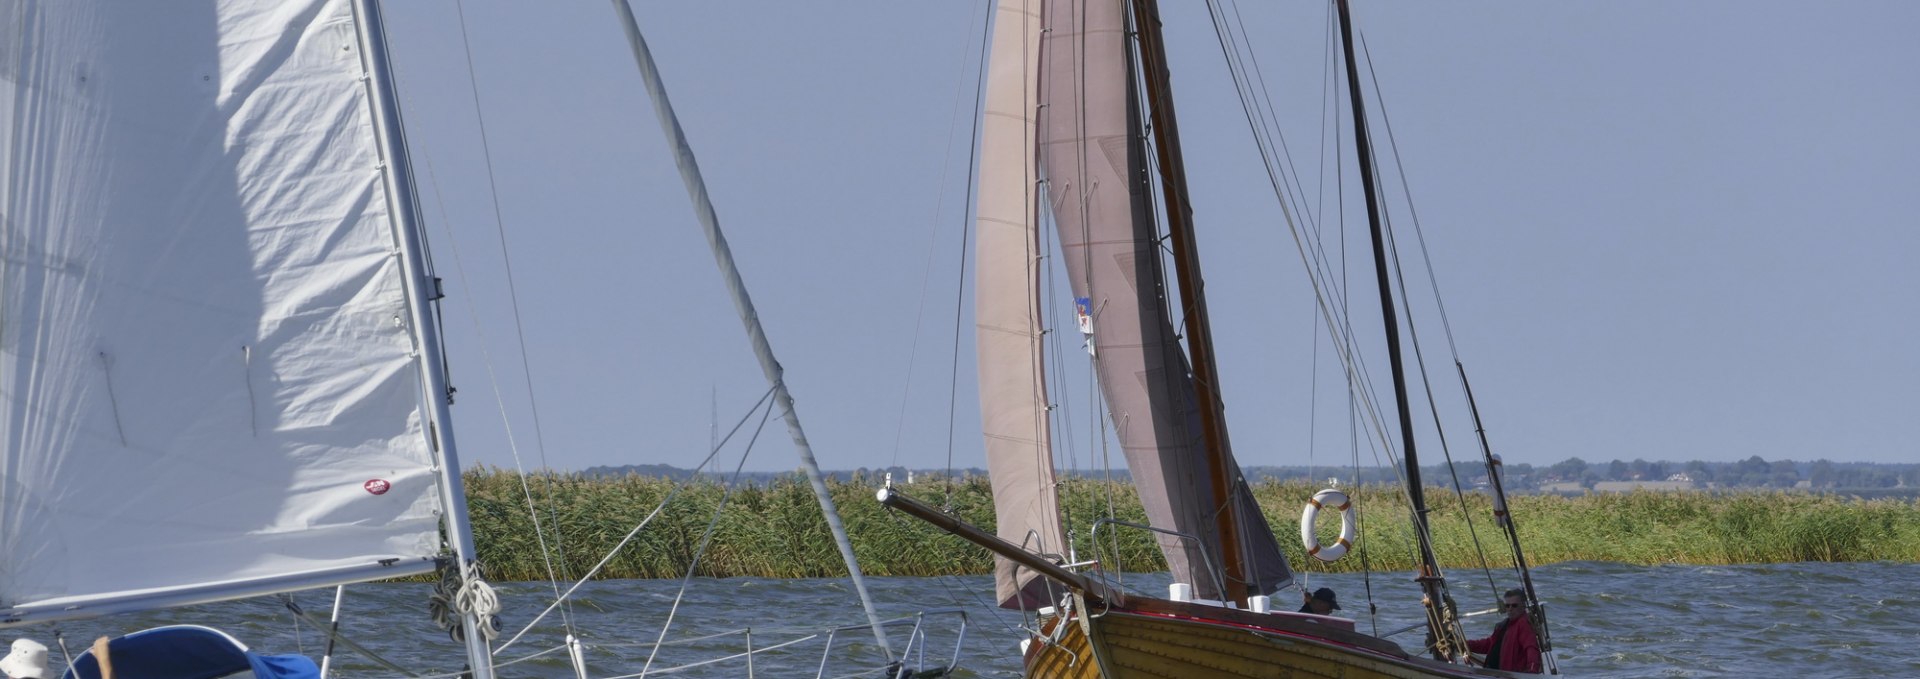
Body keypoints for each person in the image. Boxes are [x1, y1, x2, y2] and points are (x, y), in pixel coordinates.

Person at [1468, 589, 1542, 673]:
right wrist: (1466, 645)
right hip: (1494, 674)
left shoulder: (1524, 624)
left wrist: (1532, 671)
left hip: (1509, 675)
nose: (1510, 609)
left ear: (1523, 606)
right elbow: (1489, 644)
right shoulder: (1504, 625)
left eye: (1514, 605)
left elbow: (1531, 648)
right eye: (1507, 606)